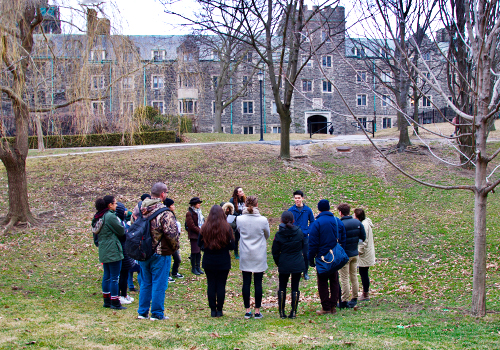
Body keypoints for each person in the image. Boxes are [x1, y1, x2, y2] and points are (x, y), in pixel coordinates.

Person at [132, 182, 179, 320]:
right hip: (160, 252)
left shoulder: (138, 208)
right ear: (163, 194)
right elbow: (171, 234)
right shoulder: (164, 212)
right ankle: (157, 313)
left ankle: (142, 312)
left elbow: (133, 226)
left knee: (145, 282)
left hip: (142, 251)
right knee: (159, 282)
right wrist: (174, 248)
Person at [308, 199, 346, 315]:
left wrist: (311, 259)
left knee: (322, 282)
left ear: (319, 209)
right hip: (334, 256)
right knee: (334, 280)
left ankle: (326, 307)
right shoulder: (337, 221)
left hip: (322, 257)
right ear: (329, 208)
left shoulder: (316, 223)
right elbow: (343, 238)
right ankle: (333, 305)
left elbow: (313, 243)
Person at [236, 196, 270, 319]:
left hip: (245, 253)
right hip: (258, 254)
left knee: (246, 282)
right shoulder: (263, 220)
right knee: (258, 283)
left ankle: (247, 310)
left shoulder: (239, 219)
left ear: (245, 205)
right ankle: (257, 311)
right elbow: (267, 235)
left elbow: (239, 232)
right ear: (257, 205)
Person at [198, 205, 235, 317]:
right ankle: (219, 309)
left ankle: (213, 309)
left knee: (211, 284)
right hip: (223, 260)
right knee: (221, 285)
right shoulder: (227, 227)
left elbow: (199, 244)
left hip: (209, 260)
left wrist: (206, 247)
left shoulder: (204, 227)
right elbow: (232, 245)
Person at [91, 195, 126, 310]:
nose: (116, 205)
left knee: (106, 276)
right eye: (115, 203)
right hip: (113, 250)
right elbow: (121, 230)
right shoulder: (110, 216)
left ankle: (107, 299)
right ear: (109, 205)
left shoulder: (98, 217)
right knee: (114, 277)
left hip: (103, 249)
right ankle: (115, 301)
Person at [272, 211, 306, 319]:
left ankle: (282, 312)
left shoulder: (279, 234)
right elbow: (303, 247)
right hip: (297, 261)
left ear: (281, 220)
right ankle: (294, 311)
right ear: (293, 220)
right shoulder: (299, 232)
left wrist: (279, 262)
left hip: (284, 261)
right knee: (295, 287)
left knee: (282, 286)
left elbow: (275, 251)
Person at [337, 203, 366, 309]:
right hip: (355, 253)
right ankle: (354, 298)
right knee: (354, 276)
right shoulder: (357, 223)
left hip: (345, 255)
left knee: (344, 278)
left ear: (340, 212)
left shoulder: (340, 224)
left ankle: (344, 299)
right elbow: (363, 237)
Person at [288, 190, 315, 281]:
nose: (297, 200)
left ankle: (305, 272)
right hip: (295, 236)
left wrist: (308, 230)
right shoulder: (291, 210)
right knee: (296, 255)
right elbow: (287, 222)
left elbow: (312, 221)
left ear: (302, 198)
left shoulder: (307, 210)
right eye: (295, 198)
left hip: (305, 236)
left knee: (306, 255)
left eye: (299, 198)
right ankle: (297, 272)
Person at [115, 202, 136, 305]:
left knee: (125, 273)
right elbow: (122, 235)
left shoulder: (122, 221)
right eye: (124, 210)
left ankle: (124, 294)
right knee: (122, 273)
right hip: (121, 250)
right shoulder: (118, 222)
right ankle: (120, 295)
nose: (125, 212)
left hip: (125, 250)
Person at [354, 208, 375, 301]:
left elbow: (363, 241)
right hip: (366, 253)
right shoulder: (365, 223)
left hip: (364, 254)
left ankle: (365, 294)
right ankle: (365, 292)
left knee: (363, 273)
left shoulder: (364, 225)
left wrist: (359, 251)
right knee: (363, 273)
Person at [163, 198, 184, 282]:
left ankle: (174, 272)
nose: (174, 206)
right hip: (168, 241)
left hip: (174, 240)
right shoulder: (166, 215)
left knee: (177, 258)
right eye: (172, 205)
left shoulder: (172, 215)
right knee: (168, 260)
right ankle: (167, 275)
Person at [186, 197, 205, 275]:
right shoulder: (189, 213)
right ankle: (193, 268)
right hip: (194, 235)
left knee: (199, 252)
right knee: (194, 252)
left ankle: (198, 267)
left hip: (200, 234)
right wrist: (200, 231)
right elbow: (191, 225)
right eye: (198, 203)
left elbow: (203, 221)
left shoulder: (199, 212)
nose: (199, 204)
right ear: (194, 205)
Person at [229, 187, 246, 259]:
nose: (242, 192)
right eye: (240, 191)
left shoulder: (244, 199)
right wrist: (238, 215)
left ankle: (243, 251)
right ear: (237, 193)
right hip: (235, 221)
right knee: (236, 237)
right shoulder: (232, 200)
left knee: (243, 237)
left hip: (243, 220)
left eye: (242, 191)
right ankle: (235, 252)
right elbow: (231, 210)